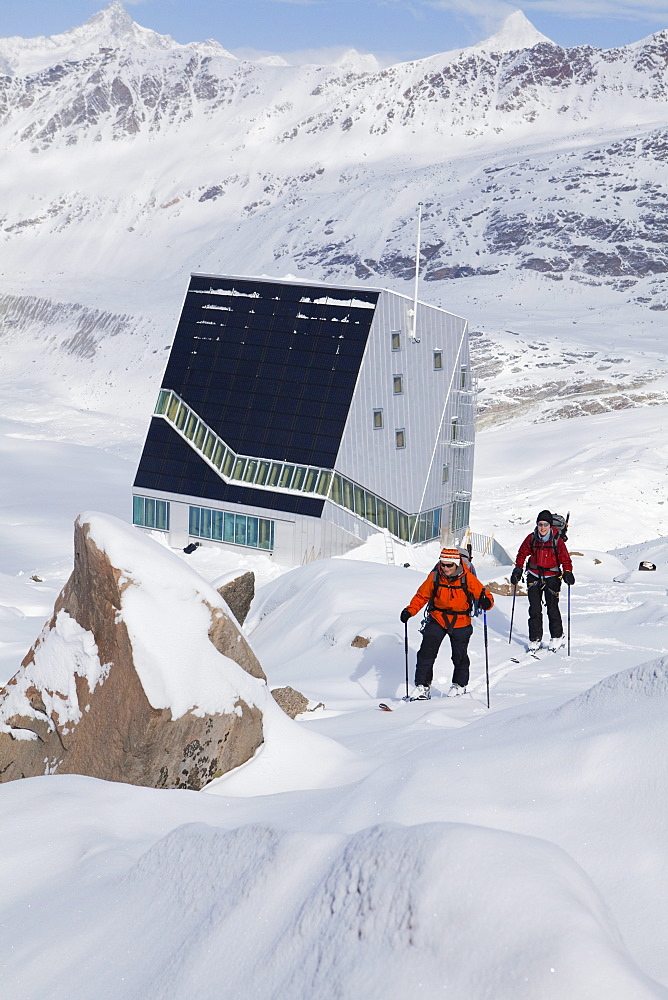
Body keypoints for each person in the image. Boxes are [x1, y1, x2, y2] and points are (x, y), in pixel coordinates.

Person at [400, 547, 493, 700]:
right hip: (437, 618)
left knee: (459, 655)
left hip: (461, 620)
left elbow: (485, 595)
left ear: (456, 564)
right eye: (443, 564)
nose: (445, 568)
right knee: (426, 652)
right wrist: (410, 611)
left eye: (449, 565)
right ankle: (422, 686)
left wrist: (485, 602)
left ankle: (459, 684)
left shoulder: (467, 577)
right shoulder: (435, 576)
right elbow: (421, 596)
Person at [510, 510, 575, 653]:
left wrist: (568, 572)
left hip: (552, 577)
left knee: (552, 608)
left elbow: (565, 559)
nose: (542, 527)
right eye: (540, 524)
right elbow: (521, 554)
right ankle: (535, 638)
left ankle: (557, 636)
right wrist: (518, 569)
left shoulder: (557, 540)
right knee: (534, 609)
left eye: (545, 524)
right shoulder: (532, 538)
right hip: (534, 575)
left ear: (550, 525)